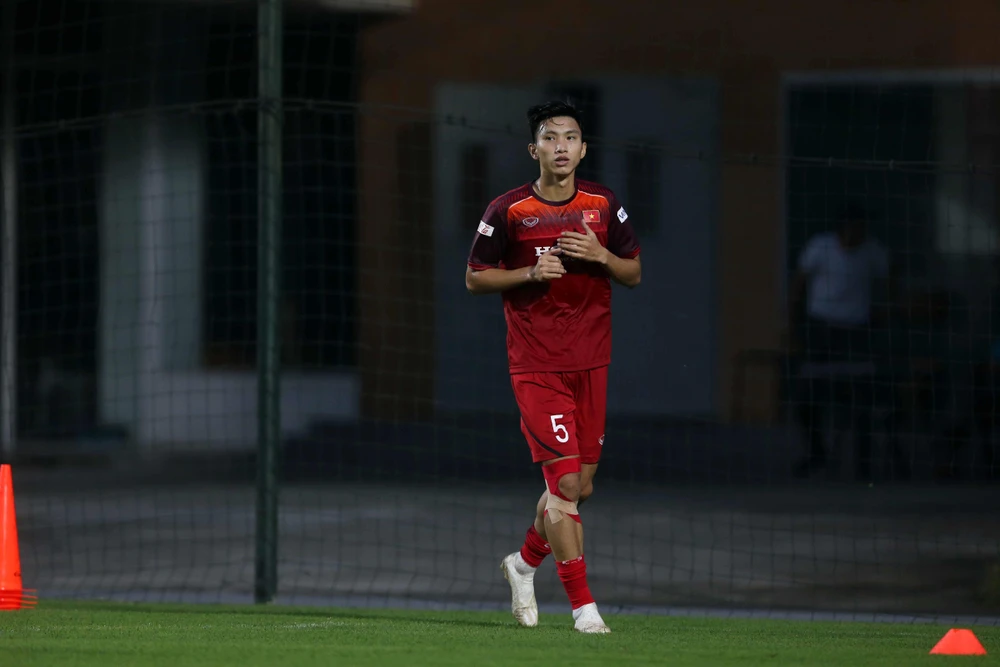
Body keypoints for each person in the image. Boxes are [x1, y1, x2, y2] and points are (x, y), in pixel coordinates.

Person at [465, 100, 641, 633]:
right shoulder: (509, 209)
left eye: (570, 137)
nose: (560, 146)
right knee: (564, 485)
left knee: (580, 486)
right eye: (550, 137)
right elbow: (475, 277)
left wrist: (601, 255)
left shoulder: (603, 204)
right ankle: (585, 610)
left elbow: (633, 272)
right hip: (536, 364)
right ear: (534, 149)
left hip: (592, 360)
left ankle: (522, 565)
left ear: (583, 149)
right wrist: (529, 273)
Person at [788, 206, 891, 481]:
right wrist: (792, 327)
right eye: (855, 227)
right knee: (806, 397)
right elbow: (798, 285)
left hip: (856, 333)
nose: (859, 234)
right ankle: (816, 452)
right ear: (843, 228)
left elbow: (889, 283)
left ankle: (863, 465)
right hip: (821, 330)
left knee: (861, 398)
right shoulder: (820, 247)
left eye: (863, 228)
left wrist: (883, 313)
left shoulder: (873, 251)